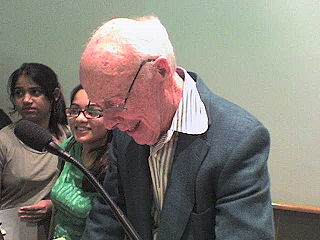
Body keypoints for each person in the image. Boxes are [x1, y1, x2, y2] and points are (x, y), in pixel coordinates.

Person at [80, 16, 275, 240]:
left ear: (160, 71)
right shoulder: (126, 132)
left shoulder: (239, 141)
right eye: (99, 107)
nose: (108, 122)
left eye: (115, 104)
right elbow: (107, 219)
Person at [0, 63, 70, 238]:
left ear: (54, 95)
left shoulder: (69, 137)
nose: (26, 100)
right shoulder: (4, 140)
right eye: (19, 93)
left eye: (35, 92)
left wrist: (54, 205)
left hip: (59, 230)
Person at [50, 85, 112, 240]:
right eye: (74, 111)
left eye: (92, 112)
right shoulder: (69, 147)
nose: (80, 118)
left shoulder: (116, 162)